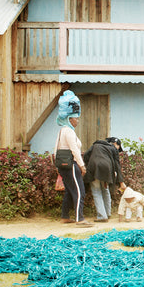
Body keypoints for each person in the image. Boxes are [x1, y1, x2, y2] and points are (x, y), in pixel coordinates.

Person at [53, 91, 92, 228]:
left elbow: (55, 150)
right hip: (71, 165)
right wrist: (82, 166)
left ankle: (65, 216)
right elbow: (74, 150)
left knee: (70, 191)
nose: (78, 120)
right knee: (80, 191)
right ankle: (79, 218)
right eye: (76, 118)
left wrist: (57, 168)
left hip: (63, 166)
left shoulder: (61, 131)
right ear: (70, 119)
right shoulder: (69, 132)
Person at [84, 137, 125, 223]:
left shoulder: (96, 145)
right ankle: (107, 213)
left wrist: (89, 164)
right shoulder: (113, 149)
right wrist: (121, 181)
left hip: (94, 167)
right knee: (105, 189)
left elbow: (86, 155)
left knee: (96, 191)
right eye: (119, 147)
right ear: (116, 144)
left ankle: (102, 216)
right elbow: (117, 165)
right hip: (107, 169)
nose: (118, 150)